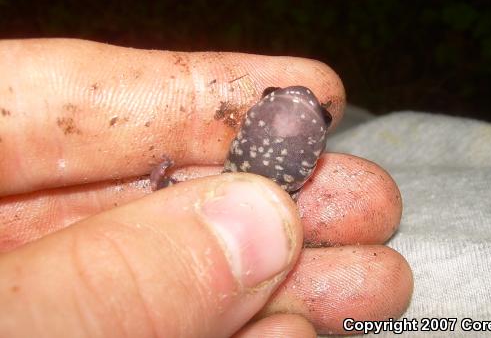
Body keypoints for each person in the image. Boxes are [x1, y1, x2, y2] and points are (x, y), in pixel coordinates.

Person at [0, 39, 412, 337]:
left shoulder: (221, 199)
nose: (298, 96)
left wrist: (165, 185)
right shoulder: (262, 213)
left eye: (320, 117)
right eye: (270, 93)